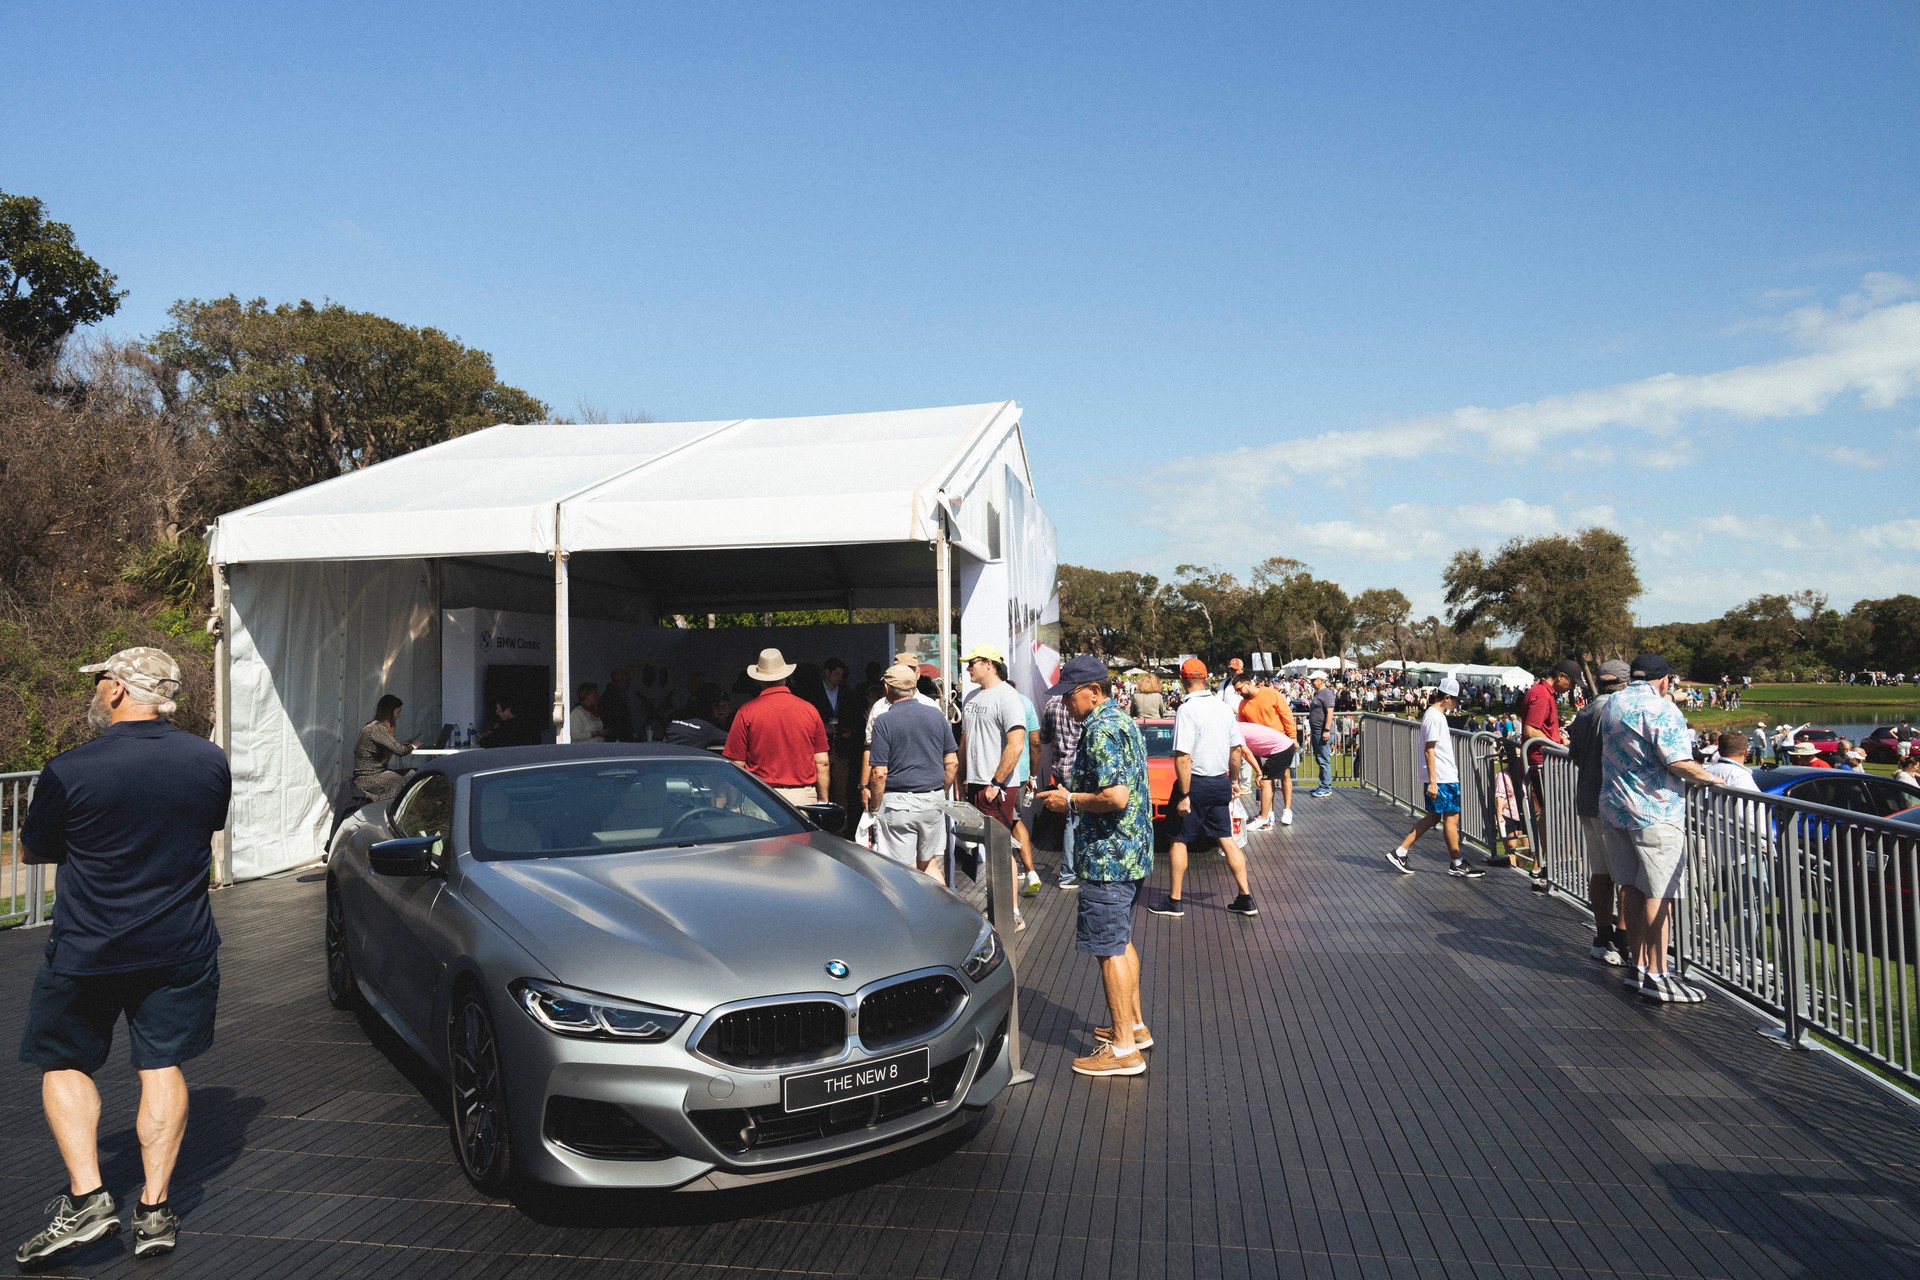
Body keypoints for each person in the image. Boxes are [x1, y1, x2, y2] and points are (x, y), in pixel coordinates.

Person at [15, 648, 228, 1265]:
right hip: (180, 944)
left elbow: (32, 852)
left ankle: (87, 1199)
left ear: (116, 692)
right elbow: (202, 827)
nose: (100, 688)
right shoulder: (209, 761)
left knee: (64, 1061)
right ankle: (155, 1210)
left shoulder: (70, 769)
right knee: (160, 1065)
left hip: (88, 947)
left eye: (103, 679)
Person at [1034, 655, 1154, 1077]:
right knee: (1120, 941)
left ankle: (1123, 1049)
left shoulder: (1101, 730)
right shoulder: (1121, 720)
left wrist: (1068, 799)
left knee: (1108, 948)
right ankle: (1134, 1028)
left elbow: (1116, 797)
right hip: (1131, 851)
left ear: (1094, 692)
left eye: (1069, 696)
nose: (1065, 704)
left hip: (1108, 856)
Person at [1600, 653, 1718, 1005]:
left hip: (1615, 808)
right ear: (1665, 680)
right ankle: (1658, 974)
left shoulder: (1612, 703)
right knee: (1659, 893)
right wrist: (1711, 777)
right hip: (1655, 811)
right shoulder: (1663, 709)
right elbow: (1679, 761)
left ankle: (1638, 968)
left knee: (1633, 888)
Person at [1149, 658, 1259, 918]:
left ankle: (1174, 901)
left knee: (1178, 840)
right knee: (1227, 841)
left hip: (1196, 784)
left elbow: (1183, 757)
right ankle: (1246, 897)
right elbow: (1236, 752)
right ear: (1206, 677)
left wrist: (1185, 794)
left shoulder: (1187, 710)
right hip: (1219, 781)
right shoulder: (1223, 708)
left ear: (1182, 679)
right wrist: (1233, 782)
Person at [1566, 660, 1631, 965]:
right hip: (1613, 803)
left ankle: (1602, 936)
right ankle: (1623, 937)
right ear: (1625, 683)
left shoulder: (1585, 711)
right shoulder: (1621, 712)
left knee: (1600, 872)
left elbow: (1576, 755)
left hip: (1587, 799)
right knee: (1626, 875)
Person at [867, 664, 960, 877]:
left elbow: (879, 773)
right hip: (933, 799)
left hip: (898, 803)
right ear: (913, 685)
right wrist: (942, 791)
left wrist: (875, 805)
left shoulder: (883, 721)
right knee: (929, 865)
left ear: (887, 688)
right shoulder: (936, 715)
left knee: (903, 871)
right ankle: (943, 910)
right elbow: (952, 762)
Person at [1387, 679, 1484, 878]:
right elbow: (1429, 750)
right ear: (1447, 697)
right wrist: (1433, 781)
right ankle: (1455, 862)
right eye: (1456, 701)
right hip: (1442, 778)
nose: (1458, 705)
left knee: (1435, 817)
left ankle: (1402, 852)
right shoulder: (1434, 718)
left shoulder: (1435, 716)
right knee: (1450, 817)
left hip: (1442, 776)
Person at [956, 644, 1032, 883]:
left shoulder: (1007, 696)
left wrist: (996, 783)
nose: (968, 668)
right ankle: (996, 908)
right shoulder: (970, 697)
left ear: (989, 664)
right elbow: (965, 741)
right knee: (984, 848)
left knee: (1000, 850)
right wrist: (961, 778)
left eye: (972, 663)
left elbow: (1016, 744)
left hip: (996, 788)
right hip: (975, 784)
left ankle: (1011, 913)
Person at [724, 649, 830, 807]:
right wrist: (823, 801)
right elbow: (822, 762)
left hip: (760, 797)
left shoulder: (746, 712)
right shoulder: (809, 710)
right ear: (786, 676)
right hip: (803, 797)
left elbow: (736, 763)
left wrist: (733, 805)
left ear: (759, 680)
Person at [1233, 672, 1298, 827]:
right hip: (1260, 746)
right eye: (1237, 691)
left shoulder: (1270, 693)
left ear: (1248, 683)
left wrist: (1292, 736)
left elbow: (1286, 715)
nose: (1239, 693)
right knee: (1265, 780)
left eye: (1240, 689)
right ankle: (1269, 813)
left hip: (1280, 742)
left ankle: (1287, 809)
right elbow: (1244, 731)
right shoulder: (1243, 706)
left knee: (1285, 775)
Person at [353, 694, 419, 803]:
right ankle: (398, 810)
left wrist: (402, 744)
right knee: (407, 778)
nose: (399, 715)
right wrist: (413, 746)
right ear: (389, 712)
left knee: (413, 773)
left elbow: (391, 747)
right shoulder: (376, 728)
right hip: (369, 778)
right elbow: (400, 751)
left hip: (371, 775)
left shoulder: (373, 726)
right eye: (398, 711)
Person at [664, 686, 731, 750]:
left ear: (730, 707)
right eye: (716, 706)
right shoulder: (704, 727)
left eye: (724, 706)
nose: (721, 709)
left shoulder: (736, 722)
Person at [1307, 671, 1339, 797]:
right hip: (1317, 731)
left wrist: (1326, 730)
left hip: (1322, 732)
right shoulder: (1318, 693)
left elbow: (1329, 713)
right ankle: (1323, 785)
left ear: (1321, 680)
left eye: (1313, 679)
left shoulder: (1327, 693)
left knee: (1324, 759)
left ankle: (1326, 787)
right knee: (1320, 758)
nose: (1311, 682)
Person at [599, 668, 641, 742]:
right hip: (617, 738)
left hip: (620, 736)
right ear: (619, 681)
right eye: (627, 680)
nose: (628, 683)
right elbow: (616, 719)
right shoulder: (611, 697)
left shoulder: (619, 695)